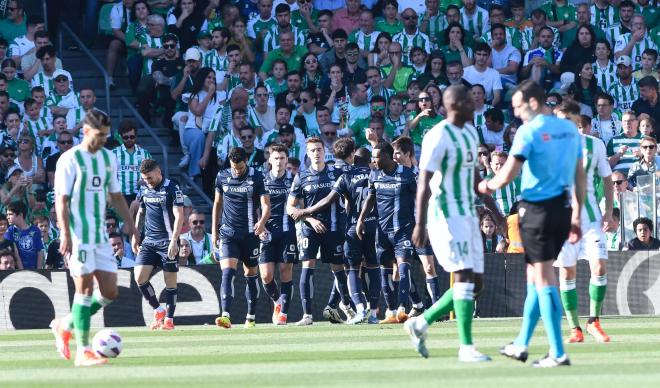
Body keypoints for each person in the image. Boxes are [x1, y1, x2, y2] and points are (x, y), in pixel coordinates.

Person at [480, 80, 585, 367]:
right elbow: (579, 174)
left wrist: (485, 185)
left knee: (544, 280)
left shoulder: (530, 131)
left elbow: (507, 175)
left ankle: (558, 352)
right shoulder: (569, 130)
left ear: (534, 103)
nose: (515, 113)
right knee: (534, 279)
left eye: (517, 106)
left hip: (537, 211)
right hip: (562, 210)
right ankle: (522, 344)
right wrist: (576, 213)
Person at [402, 84, 492, 363]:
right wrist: (419, 224)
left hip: (468, 213)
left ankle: (421, 322)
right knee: (463, 277)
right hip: (445, 215)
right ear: (454, 105)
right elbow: (424, 182)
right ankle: (466, 348)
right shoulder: (437, 136)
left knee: (476, 285)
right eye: (467, 100)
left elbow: (473, 175)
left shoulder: (469, 131)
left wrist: (492, 208)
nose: (474, 103)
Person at [50, 109, 139, 366]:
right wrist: (65, 233)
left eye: (106, 136)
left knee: (110, 291)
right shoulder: (69, 160)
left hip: (100, 233)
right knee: (85, 289)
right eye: (99, 135)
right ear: (86, 131)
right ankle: (84, 351)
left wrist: (131, 225)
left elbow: (117, 196)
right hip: (78, 234)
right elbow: (62, 200)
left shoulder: (108, 158)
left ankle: (65, 325)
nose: (103, 140)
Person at [553, 100, 615, 345]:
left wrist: (608, 211)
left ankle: (594, 321)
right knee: (567, 271)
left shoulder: (594, 145)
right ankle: (574, 327)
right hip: (561, 221)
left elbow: (607, 179)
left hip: (590, 219)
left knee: (599, 266)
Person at [287, 137, 352, 325]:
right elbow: (290, 208)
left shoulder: (336, 172)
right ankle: (307, 315)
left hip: (334, 228)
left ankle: (346, 307)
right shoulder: (301, 176)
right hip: (310, 229)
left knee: (339, 269)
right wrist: (309, 219)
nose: (316, 153)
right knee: (307, 267)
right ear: (307, 154)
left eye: (319, 149)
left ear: (325, 151)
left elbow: (350, 197)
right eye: (312, 150)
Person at [355, 141, 416, 324]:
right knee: (385, 271)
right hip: (382, 232)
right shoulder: (374, 174)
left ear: (388, 157)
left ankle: (403, 309)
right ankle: (391, 312)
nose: (373, 160)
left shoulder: (406, 174)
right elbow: (370, 197)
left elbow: (420, 197)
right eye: (373, 157)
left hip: (403, 229)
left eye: (377, 156)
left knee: (403, 267)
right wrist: (361, 219)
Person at [212, 147, 271, 329]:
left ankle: (251, 317)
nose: (237, 171)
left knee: (251, 274)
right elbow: (217, 204)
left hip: (250, 234)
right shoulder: (222, 176)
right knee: (227, 272)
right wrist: (214, 231)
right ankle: (225, 315)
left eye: (240, 167)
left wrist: (261, 222)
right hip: (229, 233)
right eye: (233, 167)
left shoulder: (257, 176)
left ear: (246, 161)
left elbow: (266, 205)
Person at [133, 159, 185, 331]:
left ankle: (169, 319)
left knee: (170, 282)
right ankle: (158, 309)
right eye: (145, 179)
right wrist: (136, 235)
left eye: (149, 178)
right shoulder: (143, 189)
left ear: (158, 172)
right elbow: (141, 213)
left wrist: (174, 240)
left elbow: (179, 216)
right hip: (149, 241)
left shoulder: (172, 188)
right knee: (139, 277)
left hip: (167, 241)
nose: (148, 181)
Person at [259, 144, 297, 325]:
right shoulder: (262, 180)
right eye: (276, 158)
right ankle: (277, 301)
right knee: (266, 275)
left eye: (282, 158)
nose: (279, 162)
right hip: (266, 233)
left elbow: (301, 205)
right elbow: (255, 206)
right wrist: (258, 225)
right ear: (269, 160)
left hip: (288, 231)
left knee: (285, 271)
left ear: (287, 160)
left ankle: (283, 314)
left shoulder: (294, 180)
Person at [112, 119, 152, 204]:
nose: (129, 139)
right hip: (120, 197)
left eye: (132, 137)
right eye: (126, 137)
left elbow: (154, 174)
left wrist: (147, 180)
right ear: (121, 137)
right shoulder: (113, 154)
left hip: (141, 196)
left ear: (136, 136)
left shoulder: (145, 154)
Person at [5, 201, 42, 269]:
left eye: (10, 214)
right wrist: (22, 272)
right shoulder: (10, 231)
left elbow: (39, 252)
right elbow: (16, 254)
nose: (7, 217)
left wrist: (39, 272)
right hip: (18, 272)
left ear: (20, 215)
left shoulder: (36, 230)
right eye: (7, 215)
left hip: (35, 271)